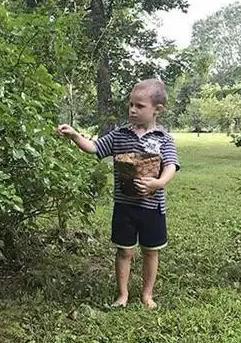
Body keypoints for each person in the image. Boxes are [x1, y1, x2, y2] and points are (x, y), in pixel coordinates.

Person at [56, 78, 179, 310]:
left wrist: (158, 183)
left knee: (151, 252)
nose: (133, 110)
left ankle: (146, 295)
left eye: (140, 106)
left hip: (152, 208)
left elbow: (171, 166)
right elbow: (94, 148)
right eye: (131, 104)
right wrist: (74, 136)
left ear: (157, 110)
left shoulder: (164, 140)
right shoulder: (119, 134)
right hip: (125, 207)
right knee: (124, 251)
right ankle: (122, 294)